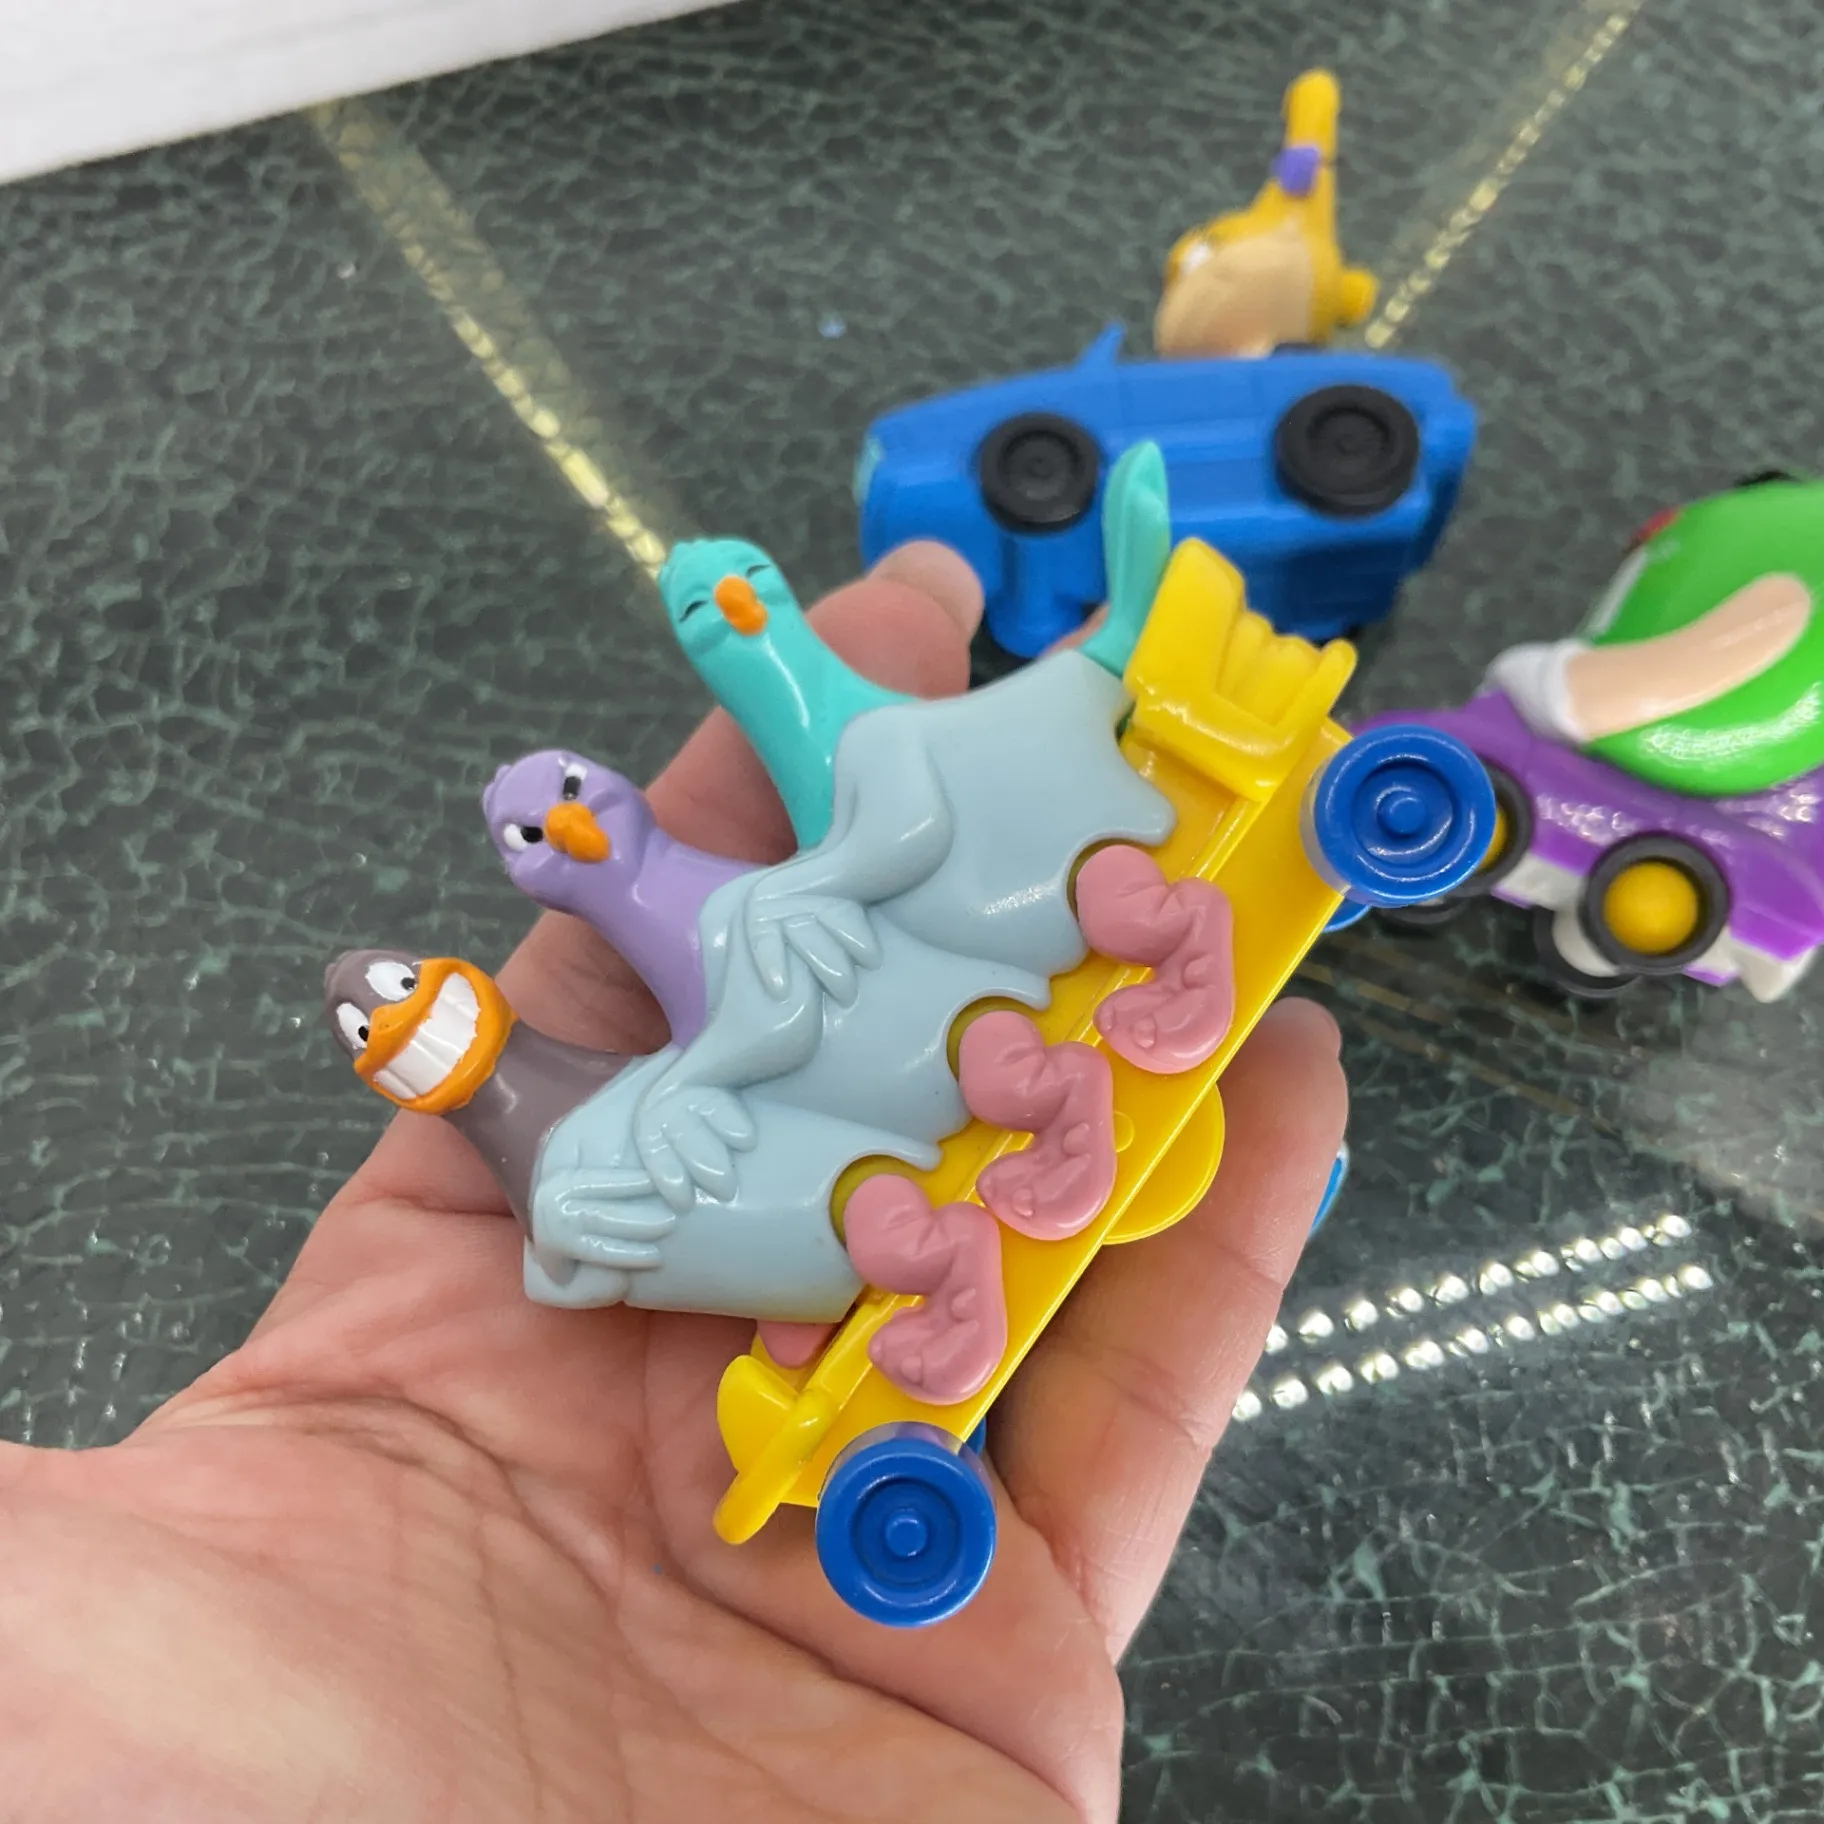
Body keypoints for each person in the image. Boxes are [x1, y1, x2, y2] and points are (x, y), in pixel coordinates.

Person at [0, 545, 1347, 1824]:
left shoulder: (768, 900)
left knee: (870, 992)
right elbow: (734, 1045)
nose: (560, 827)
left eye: (559, 799)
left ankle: (1100, 1002)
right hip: (858, 1091)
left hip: (920, 1008)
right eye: (532, 834)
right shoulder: (630, 1094)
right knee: (765, 1104)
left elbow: (797, 961)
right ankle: (964, 1187)